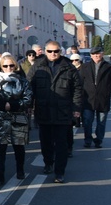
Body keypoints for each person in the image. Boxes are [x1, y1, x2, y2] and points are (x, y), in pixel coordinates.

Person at [27, 40, 82, 183]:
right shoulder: (37, 67)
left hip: (63, 112)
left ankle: (59, 172)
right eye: (50, 51)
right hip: (43, 110)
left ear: (60, 52)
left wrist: (76, 108)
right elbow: (29, 87)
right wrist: (28, 106)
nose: (53, 54)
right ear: (45, 51)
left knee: (61, 144)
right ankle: (48, 163)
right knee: (45, 142)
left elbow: (77, 89)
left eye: (56, 51)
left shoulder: (69, 68)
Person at [0, 54, 33, 185]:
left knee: (19, 146)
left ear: (15, 66)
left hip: (18, 116)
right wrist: (2, 105)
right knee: (0, 148)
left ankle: (20, 170)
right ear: (1, 66)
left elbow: (28, 98)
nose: (8, 68)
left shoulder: (22, 81)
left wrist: (13, 105)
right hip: (0, 118)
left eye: (11, 65)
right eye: (5, 65)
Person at [79, 46, 111, 148]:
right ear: (91, 55)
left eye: (98, 53)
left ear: (102, 53)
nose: (96, 55)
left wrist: (106, 91)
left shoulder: (109, 67)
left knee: (101, 121)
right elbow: (80, 82)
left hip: (103, 99)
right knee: (87, 121)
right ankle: (88, 140)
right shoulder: (85, 67)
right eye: (93, 54)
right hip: (88, 99)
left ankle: (99, 139)